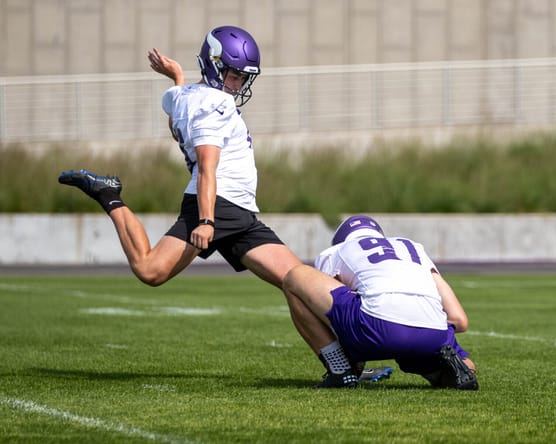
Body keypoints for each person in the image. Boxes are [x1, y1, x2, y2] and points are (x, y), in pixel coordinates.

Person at [57, 26, 391, 383]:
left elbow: (175, 123)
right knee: (150, 270)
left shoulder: (184, 96)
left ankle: (344, 369)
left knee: (300, 283)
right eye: (233, 75)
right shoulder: (213, 103)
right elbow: (206, 166)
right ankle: (110, 195)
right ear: (215, 66)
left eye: (243, 78)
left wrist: (177, 76)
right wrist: (206, 219)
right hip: (218, 206)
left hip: (239, 212)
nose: (238, 85)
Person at [282, 215, 479, 390]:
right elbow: (459, 320)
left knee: (295, 276)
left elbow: (324, 307)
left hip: (377, 326)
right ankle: (452, 367)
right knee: (453, 356)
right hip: (433, 333)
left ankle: (340, 369)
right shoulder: (413, 248)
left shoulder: (337, 251)